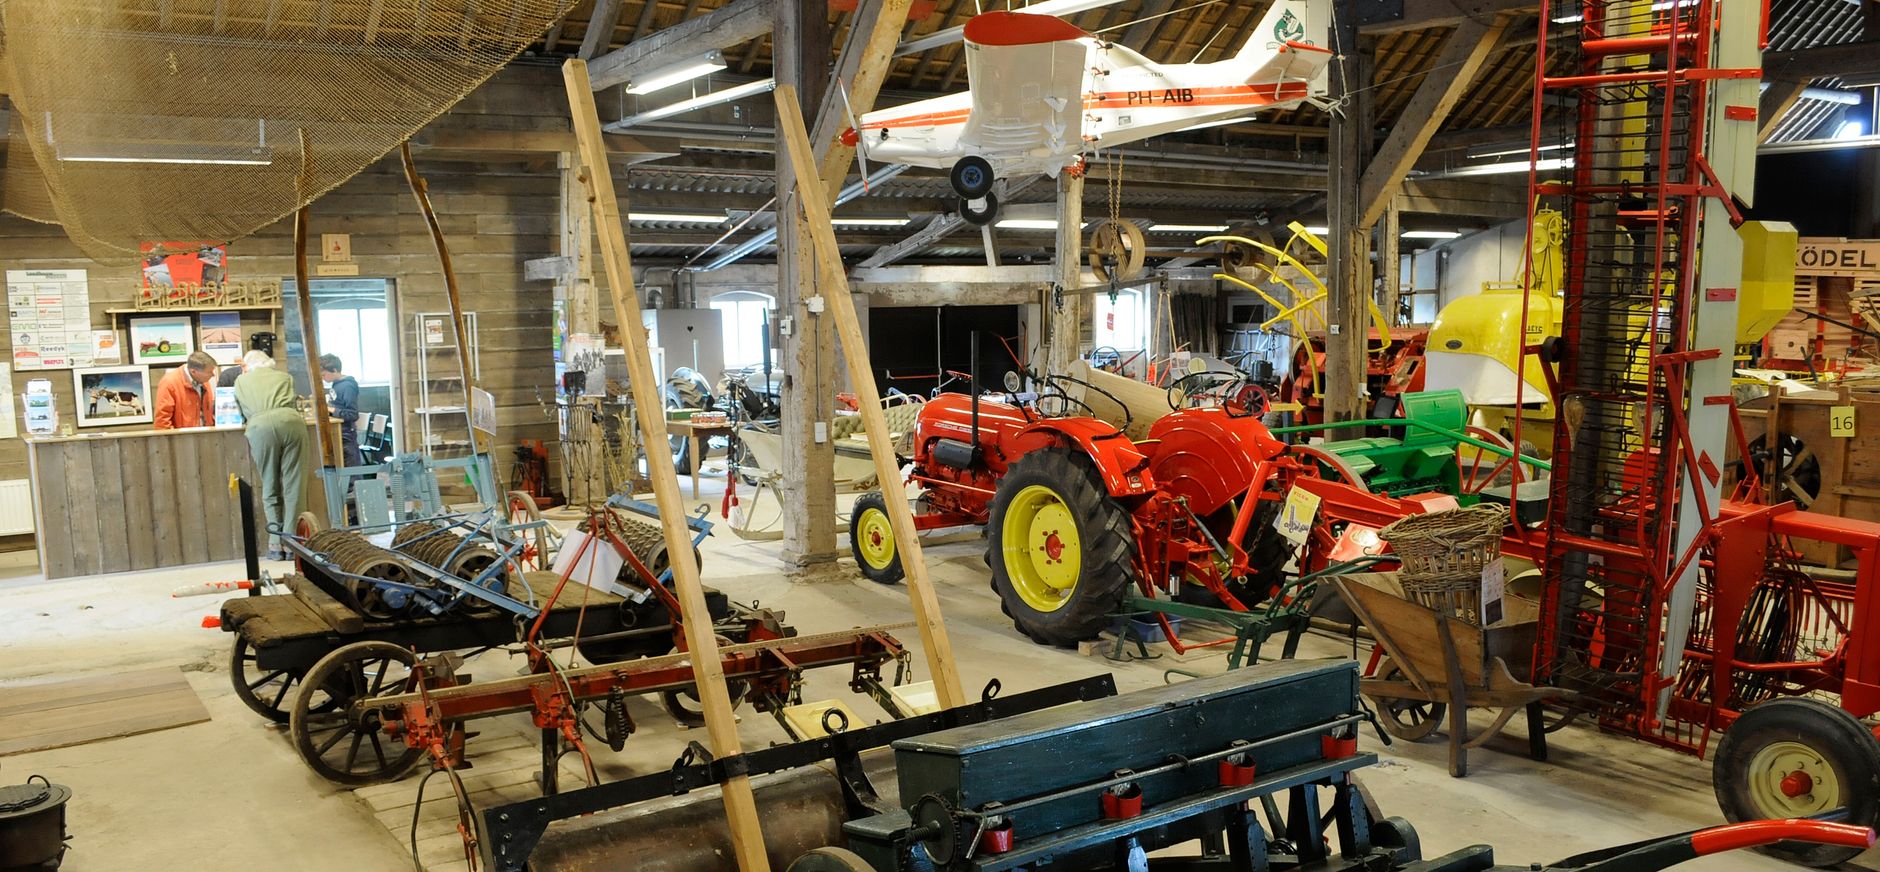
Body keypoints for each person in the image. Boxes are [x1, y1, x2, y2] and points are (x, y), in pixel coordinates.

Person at [235, 350, 308, 560]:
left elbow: (241, 413)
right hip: (291, 423)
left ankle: (276, 545)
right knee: (294, 484)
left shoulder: (241, 381)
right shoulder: (285, 377)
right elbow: (293, 403)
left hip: (259, 427)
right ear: (269, 363)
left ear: (248, 366)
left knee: (270, 484)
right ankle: (293, 544)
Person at [152, 351, 218, 430]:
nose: (213, 375)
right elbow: (162, 421)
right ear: (194, 372)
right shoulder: (169, 383)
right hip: (183, 439)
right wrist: (173, 441)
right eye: (209, 372)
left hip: (205, 437)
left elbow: (208, 413)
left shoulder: (203, 381)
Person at [320, 353, 364, 468]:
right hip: (339, 430)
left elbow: (352, 414)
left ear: (334, 370)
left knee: (351, 468)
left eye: (324, 375)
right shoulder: (336, 384)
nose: (322, 378)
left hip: (346, 433)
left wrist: (330, 409)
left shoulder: (348, 386)